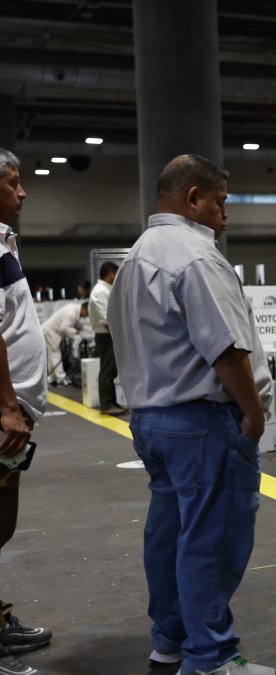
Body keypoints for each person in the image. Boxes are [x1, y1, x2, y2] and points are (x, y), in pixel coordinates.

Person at [108, 154, 275, 674]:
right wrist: (253, 412)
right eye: (221, 202)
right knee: (212, 538)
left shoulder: (137, 256)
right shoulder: (197, 257)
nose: (226, 215)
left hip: (152, 418)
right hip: (202, 421)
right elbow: (226, 348)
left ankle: (172, 640)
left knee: (169, 533)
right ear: (193, 197)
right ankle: (212, 658)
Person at [0, 148, 52, 675]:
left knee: (2, 524)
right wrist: (8, 406)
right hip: (3, 413)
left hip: (12, 409)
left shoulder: (3, 241)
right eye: (13, 182)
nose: (23, 191)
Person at [90, 260, 126, 415]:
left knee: (111, 370)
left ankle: (112, 402)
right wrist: (117, 336)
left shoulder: (104, 290)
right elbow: (106, 319)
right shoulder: (101, 291)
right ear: (111, 274)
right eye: (116, 274)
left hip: (107, 334)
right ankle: (107, 404)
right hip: (106, 335)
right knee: (108, 371)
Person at [41, 301, 87, 387]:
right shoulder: (72, 312)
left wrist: (82, 329)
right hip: (51, 332)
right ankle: (61, 378)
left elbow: (76, 324)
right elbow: (64, 328)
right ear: (84, 309)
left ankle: (52, 378)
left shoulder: (75, 310)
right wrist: (77, 332)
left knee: (52, 355)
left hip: (51, 331)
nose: (86, 316)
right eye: (87, 313)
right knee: (55, 354)